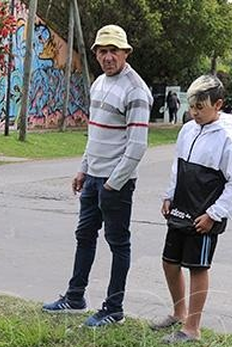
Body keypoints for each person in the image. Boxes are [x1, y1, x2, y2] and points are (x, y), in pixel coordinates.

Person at [41, 25, 152, 328]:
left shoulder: (136, 90)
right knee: (84, 236)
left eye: (113, 50)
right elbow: (94, 135)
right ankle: (75, 296)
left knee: (118, 243)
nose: (108, 57)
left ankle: (113, 308)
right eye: (102, 51)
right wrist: (83, 168)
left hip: (116, 183)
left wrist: (113, 183)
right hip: (93, 178)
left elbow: (138, 145)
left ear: (126, 52)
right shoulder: (99, 83)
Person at [153, 74, 232, 344]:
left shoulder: (228, 139)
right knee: (169, 263)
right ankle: (178, 313)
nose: (194, 113)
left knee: (197, 267)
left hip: (205, 217)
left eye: (200, 108)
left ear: (218, 105)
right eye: (191, 107)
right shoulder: (188, 130)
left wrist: (213, 214)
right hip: (181, 210)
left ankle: (192, 328)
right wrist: (169, 195)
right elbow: (177, 166)